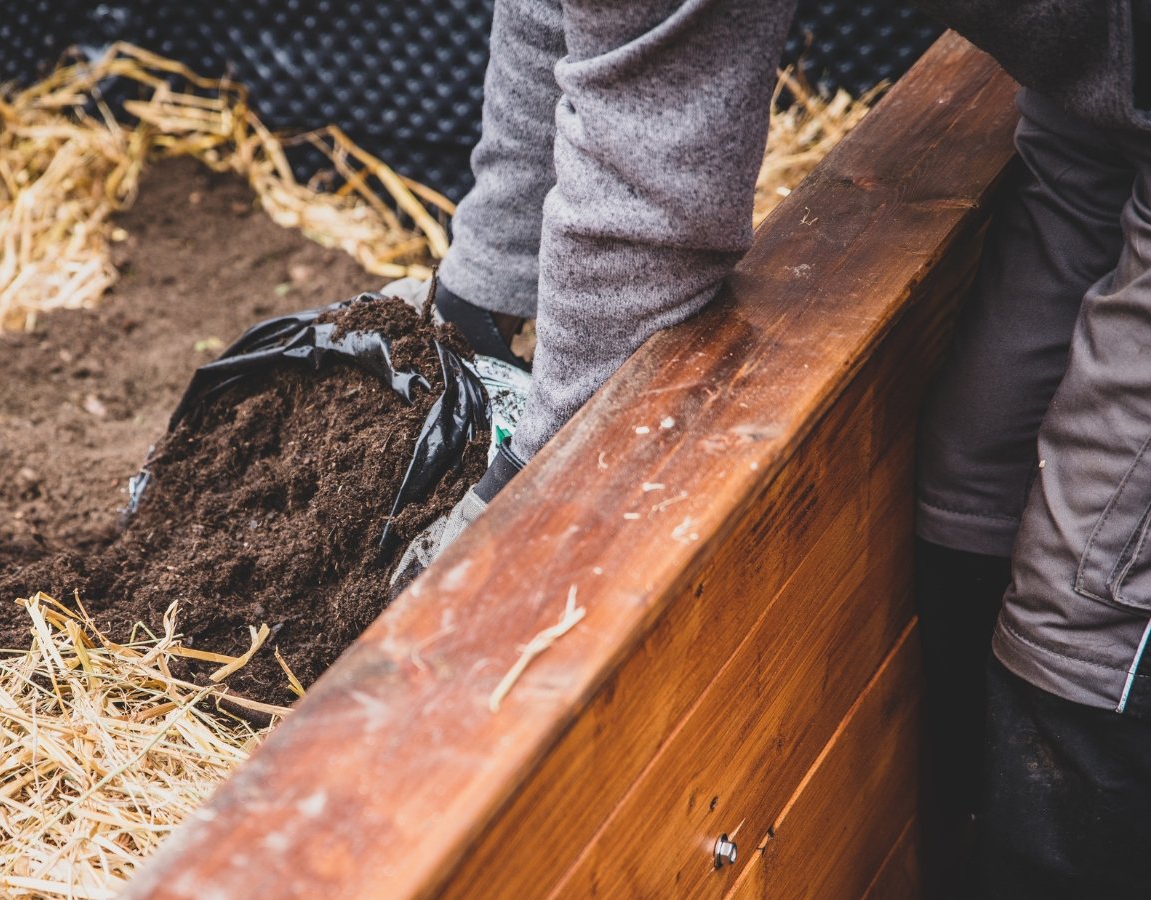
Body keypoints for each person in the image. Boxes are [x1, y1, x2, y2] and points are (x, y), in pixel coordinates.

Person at [399, 2, 1151, 897]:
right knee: (975, 471)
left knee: (1094, 586)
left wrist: (522, 498)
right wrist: (478, 293)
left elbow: (648, 194)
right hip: (1092, 94)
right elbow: (561, 13)